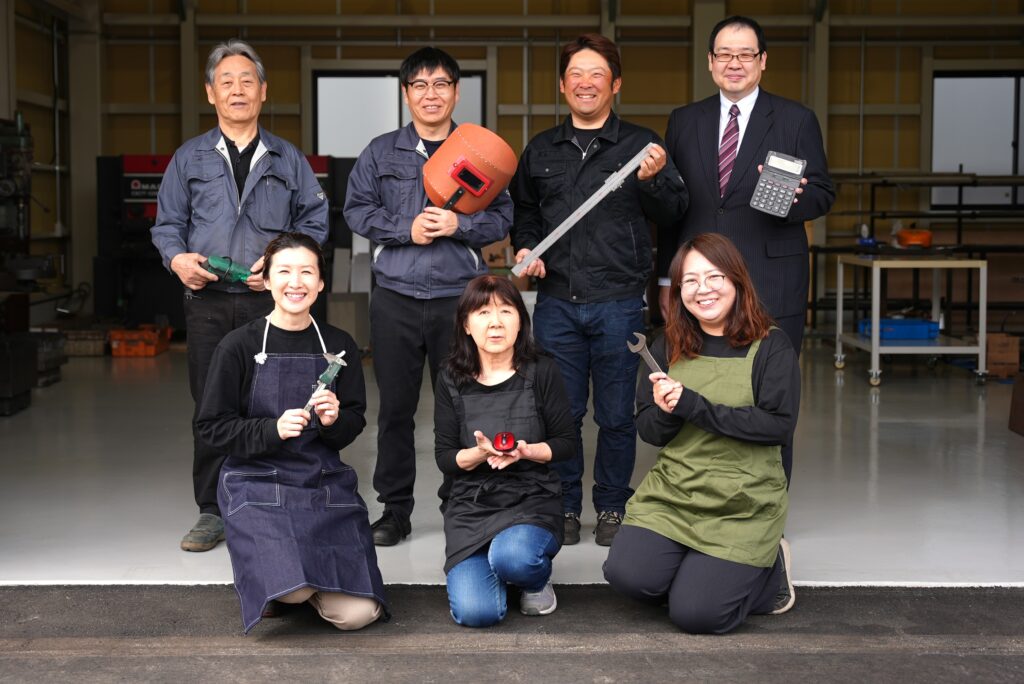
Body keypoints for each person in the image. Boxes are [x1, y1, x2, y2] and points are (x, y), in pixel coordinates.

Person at [510, 34, 687, 546]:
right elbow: (525, 212)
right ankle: (565, 506)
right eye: (576, 75)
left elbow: (674, 211)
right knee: (560, 413)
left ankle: (612, 506)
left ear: (616, 84)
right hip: (557, 302)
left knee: (615, 415)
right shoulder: (541, 148)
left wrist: (653, 181)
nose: (585, 83)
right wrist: (527, 248)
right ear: (562, 85)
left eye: (597, 75)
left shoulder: (642, 146)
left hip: (619, 301)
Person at [151, 39, 328, 552]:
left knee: (275, 399)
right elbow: (167, 225)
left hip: (269, 304)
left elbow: (315, 222)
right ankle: (212, 509)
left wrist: (281, 266)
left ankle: (276, 495)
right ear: (210, 92)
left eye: (246, 80)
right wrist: (177, 260)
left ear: (263, 91)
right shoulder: (189, 158)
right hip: (207, 303)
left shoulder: (287, 158)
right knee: (212, 403)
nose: (237, 90)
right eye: (226, 81)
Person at [344, 47, 514, 546]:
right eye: (420, 85)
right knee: (395, 410)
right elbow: (356, 210)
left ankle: (462, 505)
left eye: (441, 84)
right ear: (406, 94)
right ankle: (394, 510)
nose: (430, 94)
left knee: (463, 407)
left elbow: (503, 217)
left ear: (456, 93)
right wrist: (406, 228)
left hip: (459, 302)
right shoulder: (380, 152)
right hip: (395, 298)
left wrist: (461, 225)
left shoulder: (480, 152)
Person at [660, 15, 833, 484]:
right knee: (701, 386)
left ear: (763, 61)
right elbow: (673, 207)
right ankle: (703, 490)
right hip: (700, 286)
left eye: (745, 54)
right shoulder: (684, 120)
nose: (734, 63)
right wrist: (665, 281)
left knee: (772, 394)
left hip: (770, 277)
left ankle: (769, 498)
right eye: (724, 54)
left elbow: (823, 193)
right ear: (710, 62)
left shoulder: (796, 119)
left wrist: (795, 198)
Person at [603, 233, 799, 635]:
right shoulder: (665, 345)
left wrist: (693, 406)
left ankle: (769, 576)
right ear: (678, 292)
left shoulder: (771, 347)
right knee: (627, 575)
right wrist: (667, 411)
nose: (702, 289)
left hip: (742, 500)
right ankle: (700, 573)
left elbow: (777, 426)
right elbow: (650, 432)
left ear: (737, 280)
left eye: (714, 277)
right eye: (689, 281)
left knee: (696, 615)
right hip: (676, 492)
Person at [196, 232, 387, 634]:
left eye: (306, 272)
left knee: (358, 615)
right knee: (296, 592)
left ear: (321, 282)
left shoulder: (339, 345)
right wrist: (271, 429)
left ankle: (291, 581)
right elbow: (211, 426)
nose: (295, 282)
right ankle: (291, 585)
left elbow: (354, 420)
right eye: (284, 272)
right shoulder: (239, 345)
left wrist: (334, 421)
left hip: (322, 483)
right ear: (266, 280)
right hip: (256, 483)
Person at [434, 275, 575, 627]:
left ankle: (534, 579)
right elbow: (445, 457)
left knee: (514, 558)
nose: (495, 322)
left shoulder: (542, 370)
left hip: (532, 498)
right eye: (483, 312)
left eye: (506, 311)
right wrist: (480, 453)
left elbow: (566, 443)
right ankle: (497, 565)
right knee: (475, 613)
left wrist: (526, 452)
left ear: (520, 322)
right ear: (466, 325)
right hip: (472, 505)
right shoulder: (450, 376)